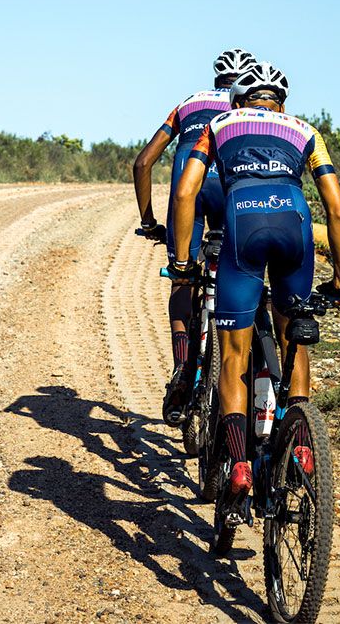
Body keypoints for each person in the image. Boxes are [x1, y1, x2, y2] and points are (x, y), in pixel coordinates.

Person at [169, 61, 340, 504]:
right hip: (294, 227)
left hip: (241, 227)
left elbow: (184, 192)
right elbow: (336, 209)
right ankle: (302, 449)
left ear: (239, 100)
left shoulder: (218, 124)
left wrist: (181, 263)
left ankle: (238, 467)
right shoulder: (304, 129)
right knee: (295, 335)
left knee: (234, 357)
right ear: (282, 102)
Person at [131, 48, 258, 426]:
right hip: (236, 194)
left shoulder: (188, 104)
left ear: (215, 76)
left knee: (182, 281)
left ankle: (184, 371)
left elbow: (142, 162)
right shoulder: (250, 109)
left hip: (189, 189)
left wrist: (151, 221)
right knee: (246, 275)